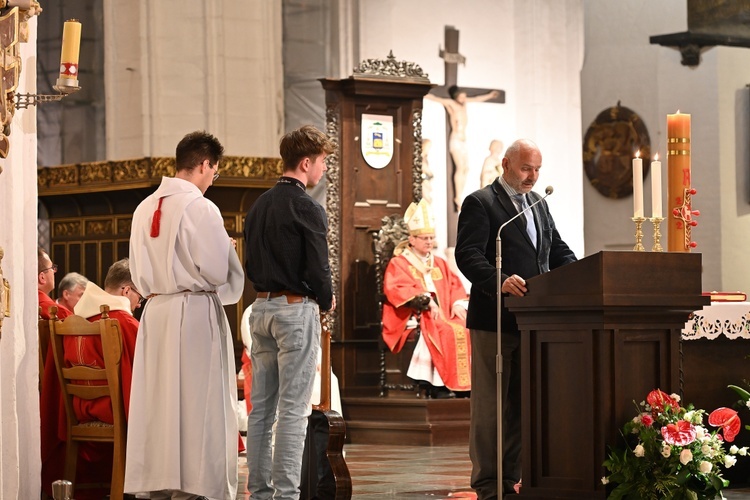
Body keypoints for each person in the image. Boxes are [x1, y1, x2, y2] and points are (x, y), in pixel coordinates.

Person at [124, 130, 245, 500]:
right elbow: (214, 271)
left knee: (161, 402)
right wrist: (227, 248)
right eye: (215, 172)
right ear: (205, 164)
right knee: (199, 402)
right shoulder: (200, 207)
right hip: (193, 313)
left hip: (156, 311)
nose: (213, 179)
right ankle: (196, 487)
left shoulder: (145, 206)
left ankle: (159, 483)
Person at [455, 139, 577, 499]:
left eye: (537, 169)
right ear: (506, 164)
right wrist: (499, 280)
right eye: (526, 168)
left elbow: (554, 248)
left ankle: (513, 478)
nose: (532, 176)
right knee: (492, 406)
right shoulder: (482, 202)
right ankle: (488, 484)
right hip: (494, 318)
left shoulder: (538, 204)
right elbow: (468, 253)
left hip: (533, 321)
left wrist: (581, 273)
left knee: (522, 405)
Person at [243, 124, 335, 500]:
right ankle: (286, 495)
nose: (324, 170)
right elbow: (318, 267)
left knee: (261, 410)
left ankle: (261, 493)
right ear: (307, 162)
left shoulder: (259, 203)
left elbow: (249, 262)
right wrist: (326, 300)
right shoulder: (306, 206)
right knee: (294, 410)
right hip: (294, 310)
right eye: (323, 162)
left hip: (260, 307)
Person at [382, 199, 471, 398]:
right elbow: (395, 288)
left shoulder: (439, 262)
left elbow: (455, 285)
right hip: (416, 313)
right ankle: (437, 384)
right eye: (424, 238)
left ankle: (462, 386)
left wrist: (457, 303)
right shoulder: (400, 263)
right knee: (444, 330)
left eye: (431, 238)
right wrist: (425, 300)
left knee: (465, 327)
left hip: (445, 312)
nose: (429, 242)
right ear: (412, 239)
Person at [426, 85, 500, 211]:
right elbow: (436, 98)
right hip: (455, 139)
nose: (464, 98)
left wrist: (489, 95)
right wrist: (423, 92)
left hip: (463, 141)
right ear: (456, 97)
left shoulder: (464, 104)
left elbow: (477, 98)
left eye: (465, 97)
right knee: (460, 167)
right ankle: (458, 196)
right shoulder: (451, 104)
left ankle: (461, 194)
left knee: (466, 168)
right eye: (461, 96)